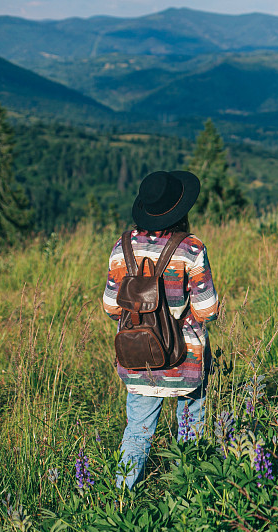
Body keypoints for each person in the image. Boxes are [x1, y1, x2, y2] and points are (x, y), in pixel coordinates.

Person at [102, 170, 219, 489]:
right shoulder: (191, 248)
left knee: (137, 434)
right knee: (192, 428)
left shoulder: (122, 246)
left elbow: (112, 307)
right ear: (180, 210)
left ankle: (122, 501)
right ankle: (191, 498)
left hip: (139, 359)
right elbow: (207, 309)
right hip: (187, 360)